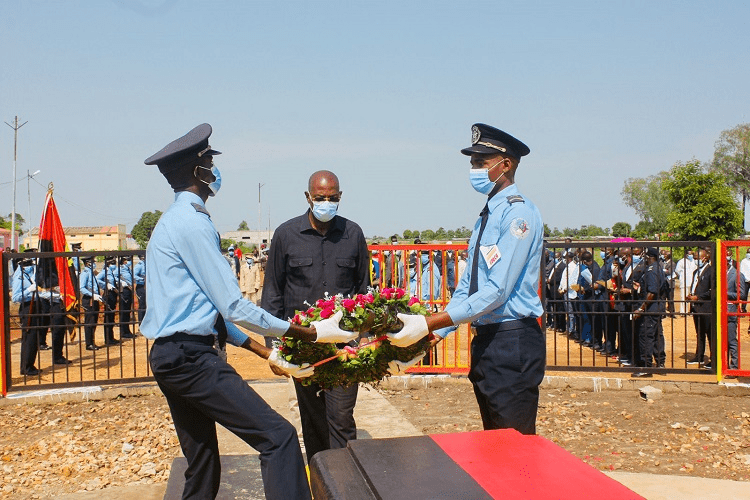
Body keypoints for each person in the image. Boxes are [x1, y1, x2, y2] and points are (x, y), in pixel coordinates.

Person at [141, 124, 354, 500]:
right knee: (279, 438)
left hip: (172, 354)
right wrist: (307, 334)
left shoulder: (171, 221)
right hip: (191, 359)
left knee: (203, 461)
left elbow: (207, 313)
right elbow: (233, 306)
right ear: (199, 172)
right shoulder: (192, 222)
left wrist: (265, 351)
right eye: (209, 161)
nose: (214, 169)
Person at [385, 123, 545, 435]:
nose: (473, 170)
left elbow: (497, 291)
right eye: (472, 163)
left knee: (514, 447)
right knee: (495, 443)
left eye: (480, 163)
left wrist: (428, 323)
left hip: (512, 341)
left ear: (506, 165)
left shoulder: (517, 215)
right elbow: (468, 288)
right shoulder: (487, 216)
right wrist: (431, 336)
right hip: (489, 341)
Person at [262, 170, 370, 462]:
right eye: (320, 198)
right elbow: (273, 292)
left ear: (340, 197)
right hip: (302, 347)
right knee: (312, 420)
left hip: (343, 348)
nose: (326, 203)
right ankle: (321, 481)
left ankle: (345, 483)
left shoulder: (353, 234)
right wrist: (273, 347)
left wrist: (366, 337)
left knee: (342, 418)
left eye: (332, 198)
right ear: (308, 197)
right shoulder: (286, 235)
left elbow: (364, 290)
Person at [631, 247, 666, 377]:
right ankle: (660, 364)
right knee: (657, 336)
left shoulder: (652, 270)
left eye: (645, 256)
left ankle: (646, 367)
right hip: (655, 308)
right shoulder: (656, 268)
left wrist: (641, 308)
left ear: (649, 257)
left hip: (650, 310)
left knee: (646, 337)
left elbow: (652, 292)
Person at [12, 254, 41, 375]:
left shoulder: (29, 274)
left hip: (35, 306)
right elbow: (15, 297)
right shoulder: (19, 277)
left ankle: (30, 365)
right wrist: (29, 290)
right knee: (28, 338)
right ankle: (25, 367)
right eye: (29, 263)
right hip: (27, 307)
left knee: (34, 338)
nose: (31, 265)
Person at [687, 248, 714, 370]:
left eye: (697, 258)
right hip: (696, 307)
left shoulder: (711, 271)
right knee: (700, 333)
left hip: (706, 307)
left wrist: (698, 297)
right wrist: (691, 295)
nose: (695, 260)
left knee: (710, 334)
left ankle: (714, 360)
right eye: (694, 258)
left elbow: (712, 290)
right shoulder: (696, 271)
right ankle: (699, 355)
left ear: (705, 258)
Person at [726, 256, 747, 372]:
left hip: (731, 311)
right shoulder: (721, 274)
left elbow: (742, 295)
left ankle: (734, 367)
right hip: (720, 312)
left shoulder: (737, 275)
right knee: (722, 340)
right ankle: (723, 365)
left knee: (731, 340)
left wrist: (725, 293)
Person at [79, 256, 103, 350]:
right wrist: (92, 295)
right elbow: (82, 288)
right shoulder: (85, 273)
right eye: (92, 262)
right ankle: (89, 344)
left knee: (94, 321)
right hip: (89, 299)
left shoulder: (91, 272)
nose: (94, 263)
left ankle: (92, 341)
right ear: (88, 263)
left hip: (94, 299)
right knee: (89, 321)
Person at [97, 256, 120, 346]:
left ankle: (111, 337)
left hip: (112, 294)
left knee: (111, 317)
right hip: (108, 294)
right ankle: (108, 339)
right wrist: (106, 285)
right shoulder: (104, 272)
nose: (114, 265)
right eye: (112, 263)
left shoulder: (110, 272)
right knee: (108, 317)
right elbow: (98, 279)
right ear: (108, 264)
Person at [674, 250, 697, 314]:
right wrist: (682, 276)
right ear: (686, 254)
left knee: (692, 297)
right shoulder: (681, 261)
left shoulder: (694, 262)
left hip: (692, 282)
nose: (690, 256)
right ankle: (683, 311)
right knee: (683, 297)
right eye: (689, 254)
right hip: (684, 282)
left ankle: (691, 311)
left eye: (691, 254)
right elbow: (677, 270)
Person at [133, 255, 147, 326]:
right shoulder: (139, 265)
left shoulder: (147, 264)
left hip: (147, 287)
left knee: (147, 306)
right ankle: (141, 325)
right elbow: (134, 275)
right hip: (141, 286)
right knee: (142, 306)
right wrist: (143, 279)